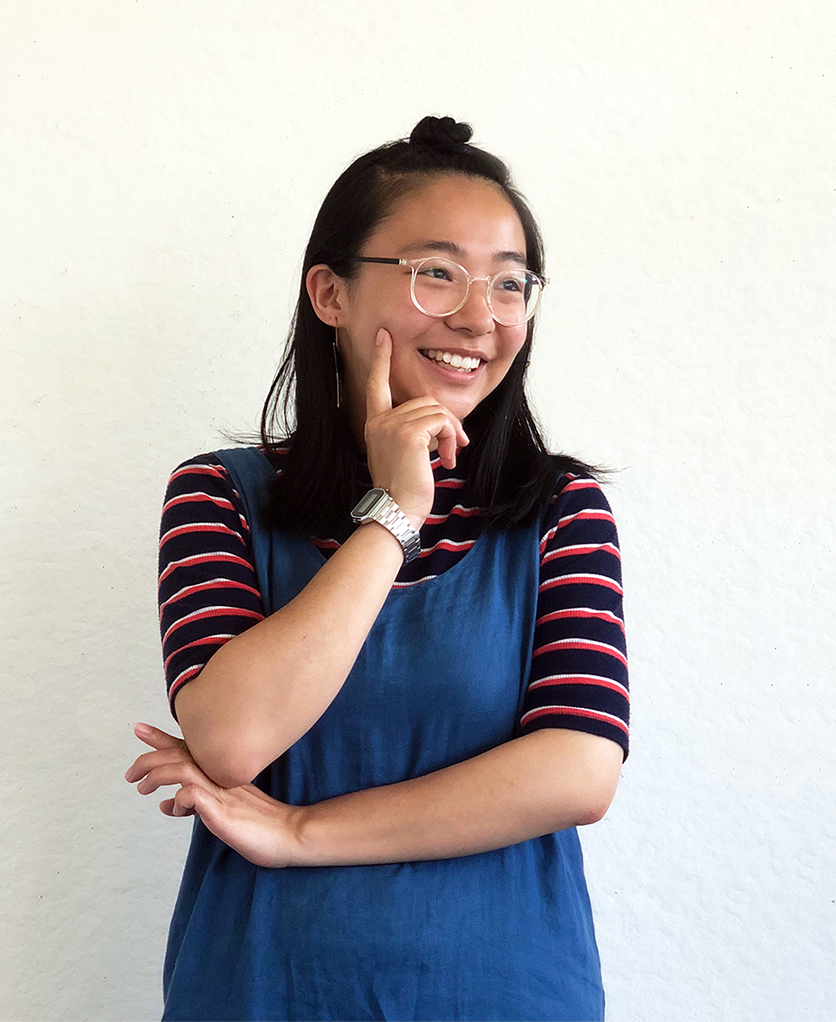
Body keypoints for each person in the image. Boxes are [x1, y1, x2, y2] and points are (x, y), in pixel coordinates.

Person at [125, 116, 629, 1021]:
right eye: (436, 272)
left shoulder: (559, 511)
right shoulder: (220, 496)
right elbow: (234, 738)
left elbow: (576, 772)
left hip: (503, 986)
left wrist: (299, 831)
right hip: (262, 983)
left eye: (509, 283)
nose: (480, 316)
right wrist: (393, 516)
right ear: (330, 293)